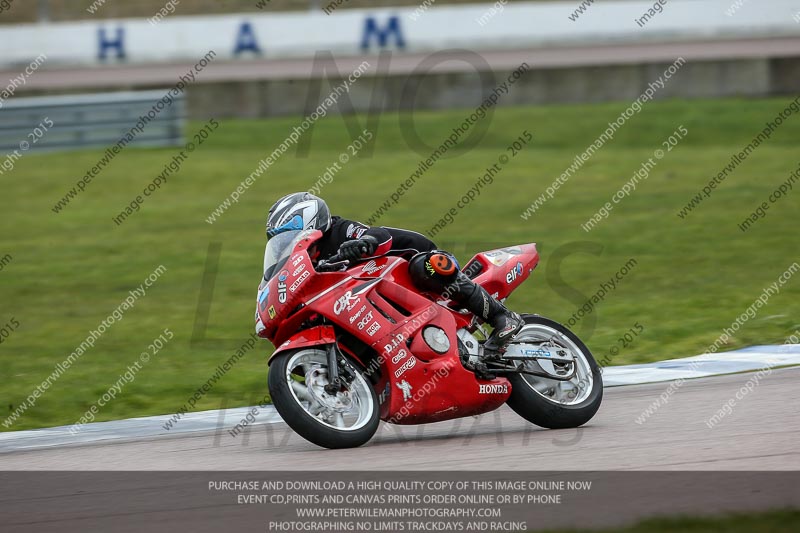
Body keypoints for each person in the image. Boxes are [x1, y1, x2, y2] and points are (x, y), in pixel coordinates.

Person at [264, 192, 523, 353]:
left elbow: (378, 235)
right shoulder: (308, 261)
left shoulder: (339, 230)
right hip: (384, 298)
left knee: (427, 266)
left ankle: (502, 316)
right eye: (280, 240)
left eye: (290, 234)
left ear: (309, 221)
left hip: (417, 263)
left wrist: (364, 243)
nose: (286, 243)